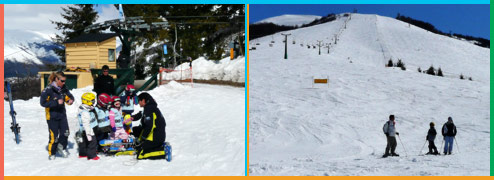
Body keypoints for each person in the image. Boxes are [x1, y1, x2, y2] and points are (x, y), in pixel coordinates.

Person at [40, 71, 74, 160]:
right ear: (56, 79)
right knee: (54, 136)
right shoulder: (48, 90)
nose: (64, 83)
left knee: (65, 133)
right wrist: (56, 102)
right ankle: (52, 153)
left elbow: (69, 96)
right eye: (62, 81)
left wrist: (70, 101)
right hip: (52, 116)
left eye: (64, 81)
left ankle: (61, 147)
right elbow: (43, 103)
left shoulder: (64, 88)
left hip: (62, 115)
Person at [131, 92, 168, 160]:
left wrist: (142, 138)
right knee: (135, 130)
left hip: (155, 137)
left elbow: (149, 126)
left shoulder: (149, 109)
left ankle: (163, 152)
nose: (138, 103)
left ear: (143, 100)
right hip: (157, 135)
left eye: (139, 100)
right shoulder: (150, 107)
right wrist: (131, 117)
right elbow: (141, 115)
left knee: (140, 153)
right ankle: (154, 146)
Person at [76, 92, 100, 160]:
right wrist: (89, 134)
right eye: (92, 101)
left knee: (83, 142)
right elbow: (86, 124)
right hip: (88, 130)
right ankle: (92, 155)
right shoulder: (85, 112)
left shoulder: (84, 108)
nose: (93, 102)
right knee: (92, 142)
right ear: (87, 101)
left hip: (82, 130)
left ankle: (82, 154)